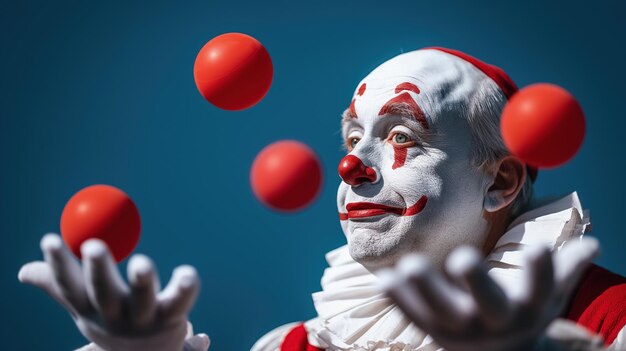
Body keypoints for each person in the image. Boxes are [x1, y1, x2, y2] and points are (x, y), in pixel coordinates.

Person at [18, 48, 626, 351]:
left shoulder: (610, 317)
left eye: (399, 135)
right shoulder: (294, 347)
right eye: (351, 136)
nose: (351, 164)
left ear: (500, 182)